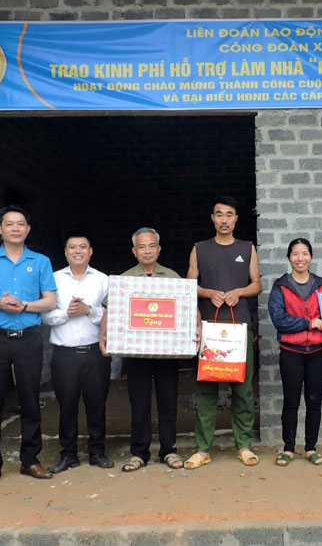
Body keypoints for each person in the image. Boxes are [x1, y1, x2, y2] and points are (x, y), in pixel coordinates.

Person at [0, 206, 57, 487]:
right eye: (9, 224)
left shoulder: (40, 261)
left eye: (21, 224)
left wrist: (24, 306)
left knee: (30, 400)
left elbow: (50, 302)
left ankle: (30, 459)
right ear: (0, 230)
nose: (15, 228)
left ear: (28, 229)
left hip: (29, 338)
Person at [184, 196, 262, 469]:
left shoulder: (247, 248)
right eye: (219, 214)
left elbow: (257, 285)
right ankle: (203, 449)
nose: (224, 219)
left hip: (238, 329)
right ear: (213, 218)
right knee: (206, 389)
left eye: (229, 214)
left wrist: (239, 291)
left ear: (236, 219)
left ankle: (243, 445)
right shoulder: (199, 249)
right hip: (208, 330)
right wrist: (208, 292)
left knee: (242, 389)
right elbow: (188, 287)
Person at [103, 227, 185, 472]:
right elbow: (111, 310)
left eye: (152, 246)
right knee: (139, 403)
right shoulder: (124, 280)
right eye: (142, 246)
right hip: (136, 352)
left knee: (168, 401)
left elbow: (186, 310)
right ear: (134, 251)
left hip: (167, 352)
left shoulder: (173, 278)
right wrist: (105, 335)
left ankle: (168, 450)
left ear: (159, 249)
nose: (147, 251)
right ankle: (139, 453)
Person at [42, 235, 113, 473]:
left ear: (91, 251)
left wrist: (88, 310)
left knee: (97, 405)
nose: (78, 251)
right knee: (67, 406)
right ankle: (68, 455)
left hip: (95, 353)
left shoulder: (103, 280)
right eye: (72, 247)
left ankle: (97, 452)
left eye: (83, 247)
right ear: (65, 252)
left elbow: (112, 315)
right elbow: (45, 316)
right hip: (64, 355)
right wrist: (67, 313)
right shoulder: (53, 279)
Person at [268, 238, 322, 467]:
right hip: (291, 352)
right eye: (295, 254)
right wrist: (309, 324)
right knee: (291, 401)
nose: (300, 258)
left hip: (318, 352)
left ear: (311, 257)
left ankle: (310, 447)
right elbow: (280, 320)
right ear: (289, 258)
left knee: (314, 400)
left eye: (304, 253)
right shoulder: (280, 286)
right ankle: (288, 448)